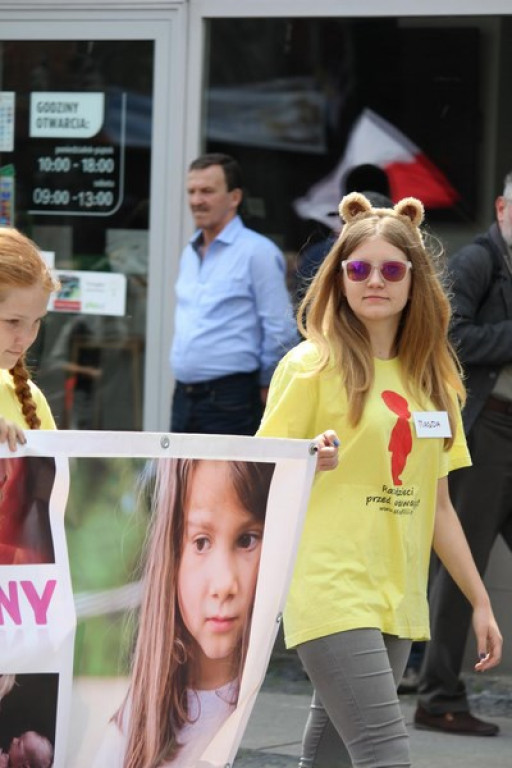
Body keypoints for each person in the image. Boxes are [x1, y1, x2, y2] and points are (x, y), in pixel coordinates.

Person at [257, 192, 503, 767]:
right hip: (329, 587)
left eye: (392, 269)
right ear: (339, 277)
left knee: (333, 757)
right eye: (358, 268)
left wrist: (480, 601)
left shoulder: (434, 379)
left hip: (394, 591)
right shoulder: (309, 364)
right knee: (385, 755)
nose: (375, 281)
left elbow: (438, 506)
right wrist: (302, 460)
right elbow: (256, 475)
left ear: (414, 281)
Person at [93, 458, 275, 768]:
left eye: (246, 540)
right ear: (171, 557)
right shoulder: (132, 727)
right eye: (201, 543)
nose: (224, 584)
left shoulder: (276, 703)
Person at [414, 171, 512, 736]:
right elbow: (449, 337)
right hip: (486, 433)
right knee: (460, 566)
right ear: (501, 207)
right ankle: (437, 697)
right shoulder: (478, 261)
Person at [170, 152, 296, 435]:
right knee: (180, 479)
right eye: (191, 191)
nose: (196, 200)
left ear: (235, 197)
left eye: (207, 191)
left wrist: (266, 385)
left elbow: (281, 329)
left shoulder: (258, 252)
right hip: (183, 396)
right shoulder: (190, 251)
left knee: (227, 480)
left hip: (232, 399)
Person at [0, 226, 57, 446]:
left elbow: (56, 479)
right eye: (13, 322)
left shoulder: (29, 397)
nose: (25, 339)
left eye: (36, 321)